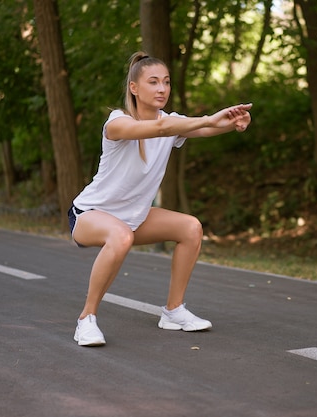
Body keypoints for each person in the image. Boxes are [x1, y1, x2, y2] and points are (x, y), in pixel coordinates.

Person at [69, 51, 252, 346]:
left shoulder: (171, 121)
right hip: (90, 213)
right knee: (120, 236)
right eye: (153, 82)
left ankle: (173, 311)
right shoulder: (117, 123)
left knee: (190, 228)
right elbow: (163, 128)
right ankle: (86, 319)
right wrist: (208, 118)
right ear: (134, 87)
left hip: (134, 217)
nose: (162, 89)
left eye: (166, 82)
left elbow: (203, 128)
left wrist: (234, 121)